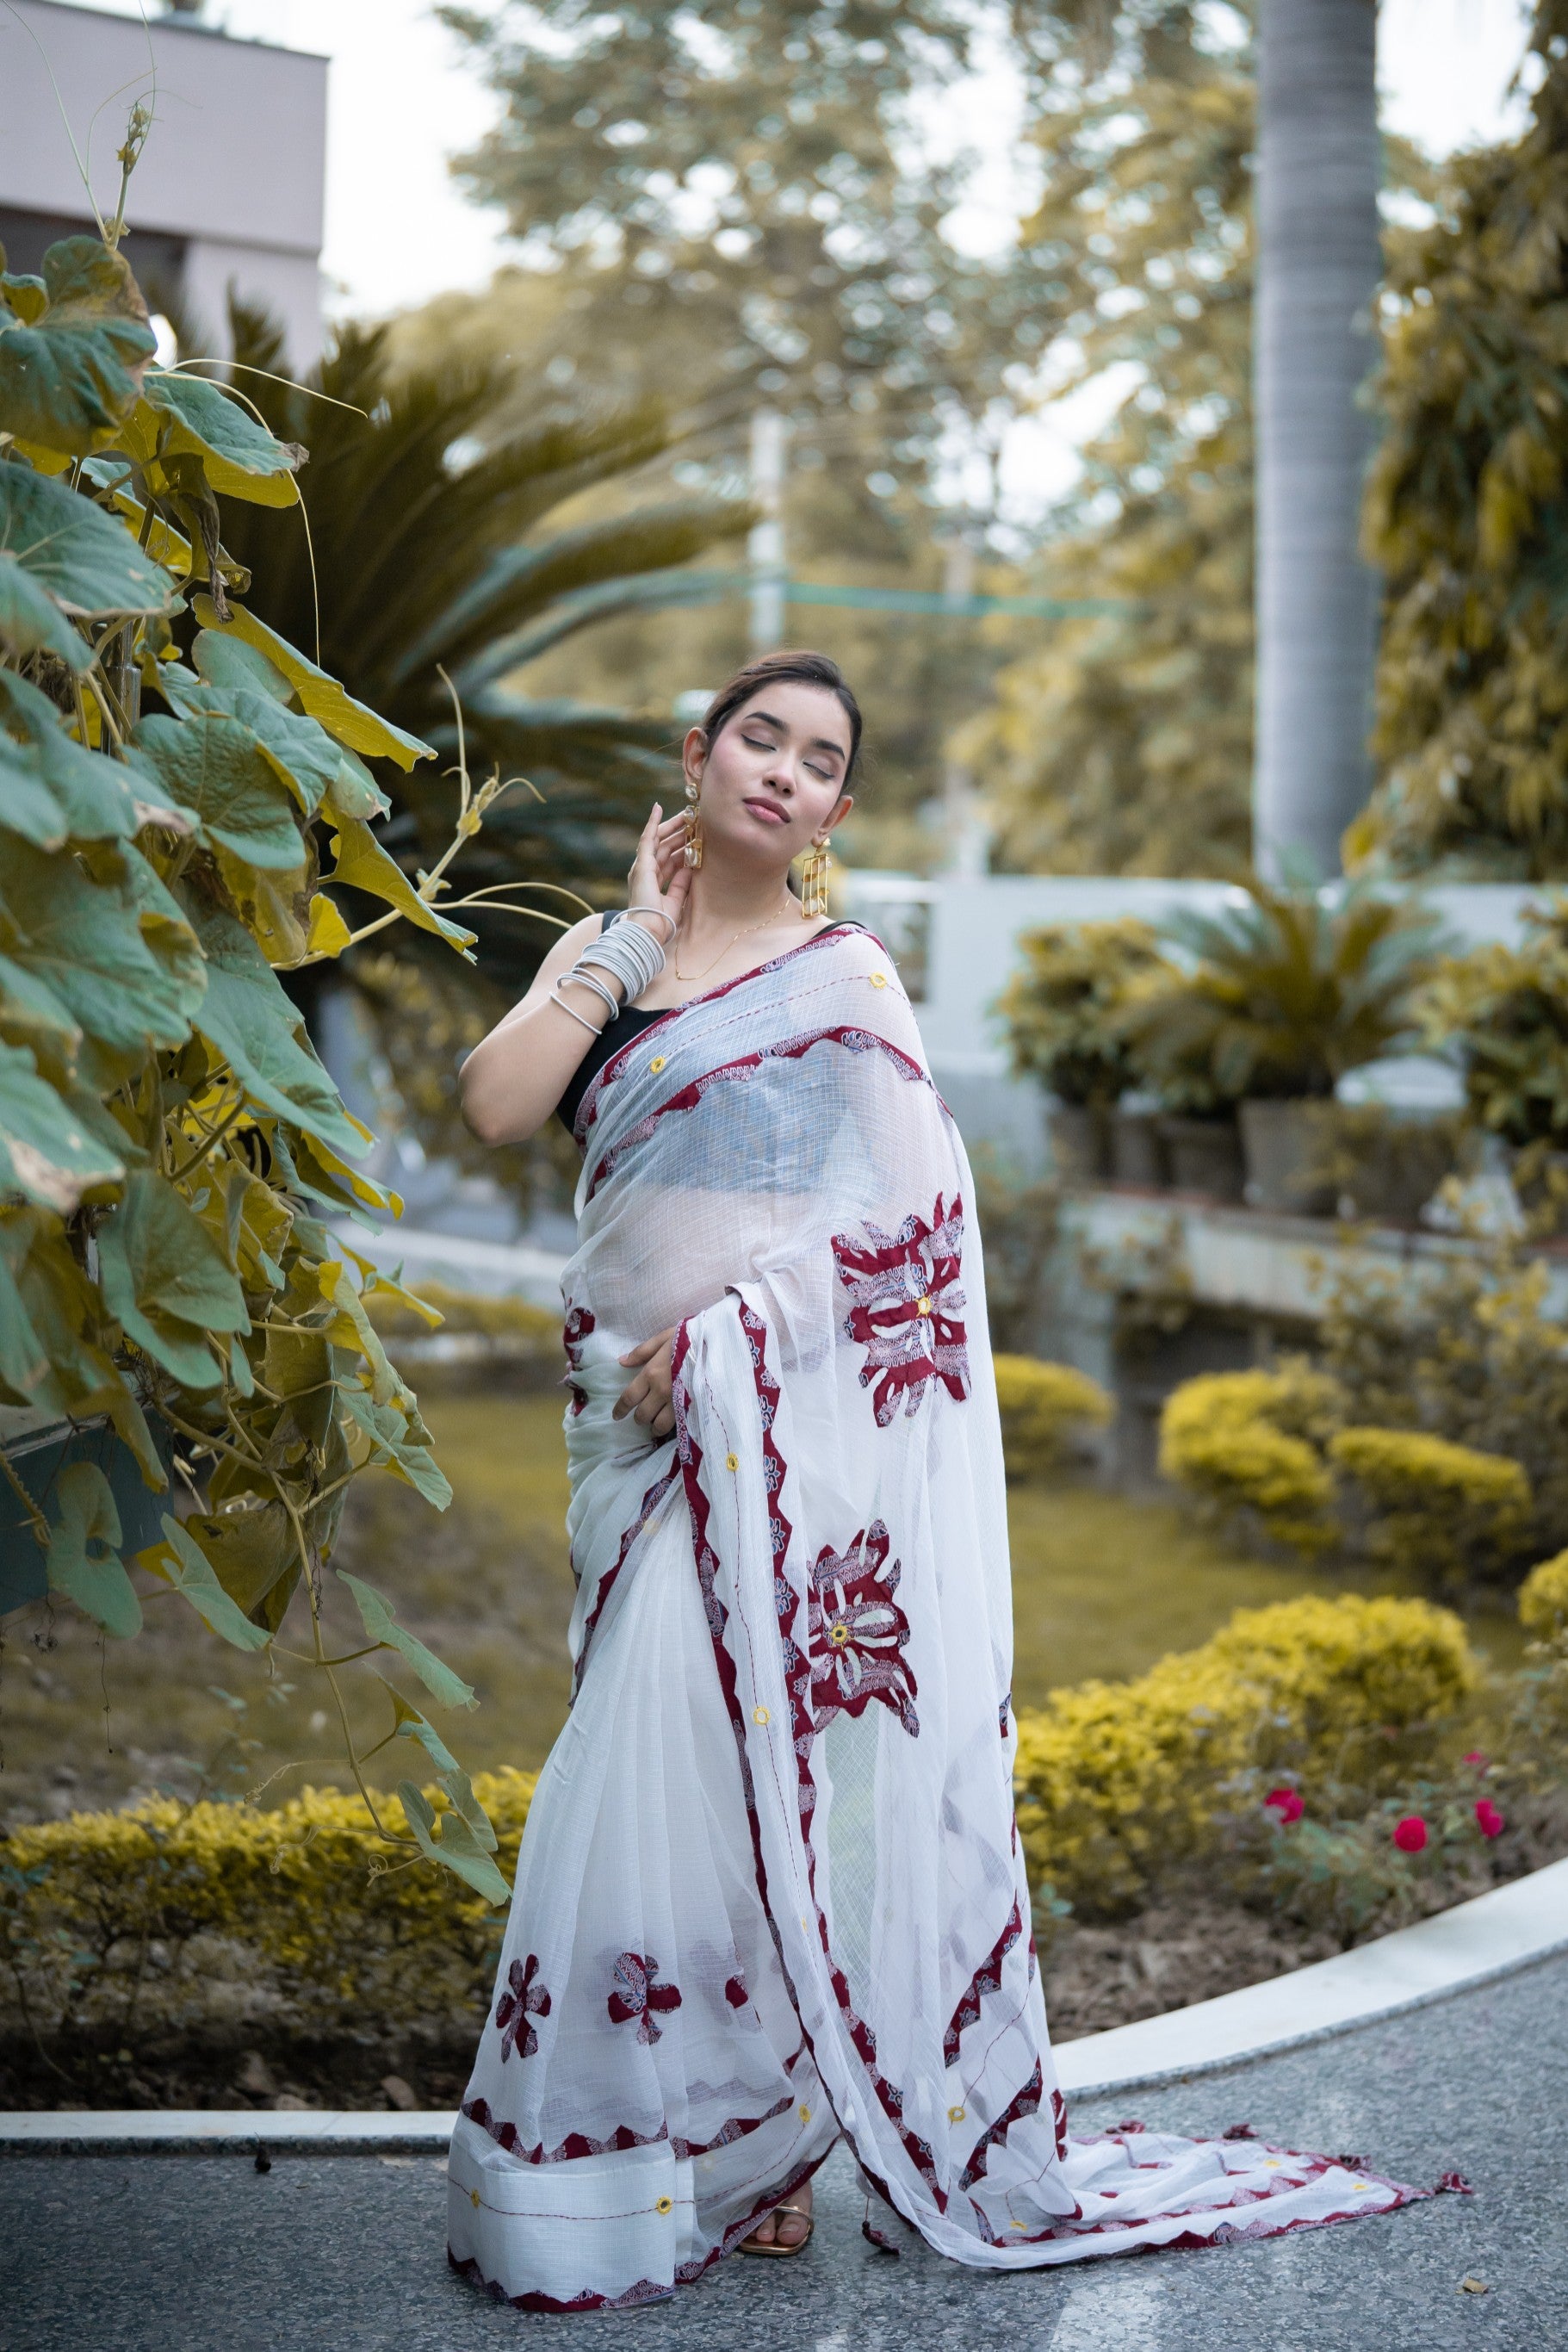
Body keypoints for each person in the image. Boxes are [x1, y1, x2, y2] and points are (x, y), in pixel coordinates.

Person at [447, 651, 1420, 2312]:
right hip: (625, 1432)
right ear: (696, 755)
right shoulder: (607, 953)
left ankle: (727, 2149)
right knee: (679, 1784)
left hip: (759, 1434)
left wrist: (737, 1339)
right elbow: (493, 1105)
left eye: (818, 759)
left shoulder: (844, 981)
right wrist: (622, 945)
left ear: (836, 807)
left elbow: (910, 1233)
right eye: (758, 738)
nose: (782, 770)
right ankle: (715, 2139)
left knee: (676, 1773)